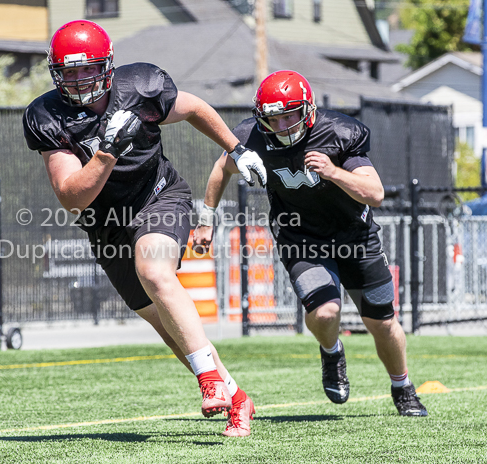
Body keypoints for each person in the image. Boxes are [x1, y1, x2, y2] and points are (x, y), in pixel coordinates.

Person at [23, 20, 267, 436]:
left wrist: (236, 148)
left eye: (88, 69)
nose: (80, 80)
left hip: (159, 196)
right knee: (168, 328)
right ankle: (237, 397)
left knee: (155, 271)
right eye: (70, 72)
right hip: (106, 224)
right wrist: (106, 153)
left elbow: (193, 108)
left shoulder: (140, 85)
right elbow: (71, 196)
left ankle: (208, 379)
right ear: (55, 73)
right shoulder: (46, 115)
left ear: (108, 66)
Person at [193, 70, 428, 417]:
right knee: (325, 311)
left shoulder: (340, 132)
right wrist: (206, 218)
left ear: (309, 109)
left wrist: (333, 171)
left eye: (290, 114)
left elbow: (375, 194)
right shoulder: (251, 136)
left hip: (355, 237)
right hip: (301, 238)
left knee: (381, 322)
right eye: (274, 117)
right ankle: (331, 351)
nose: (284, 124)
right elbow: (221, 168)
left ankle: (402, 386)